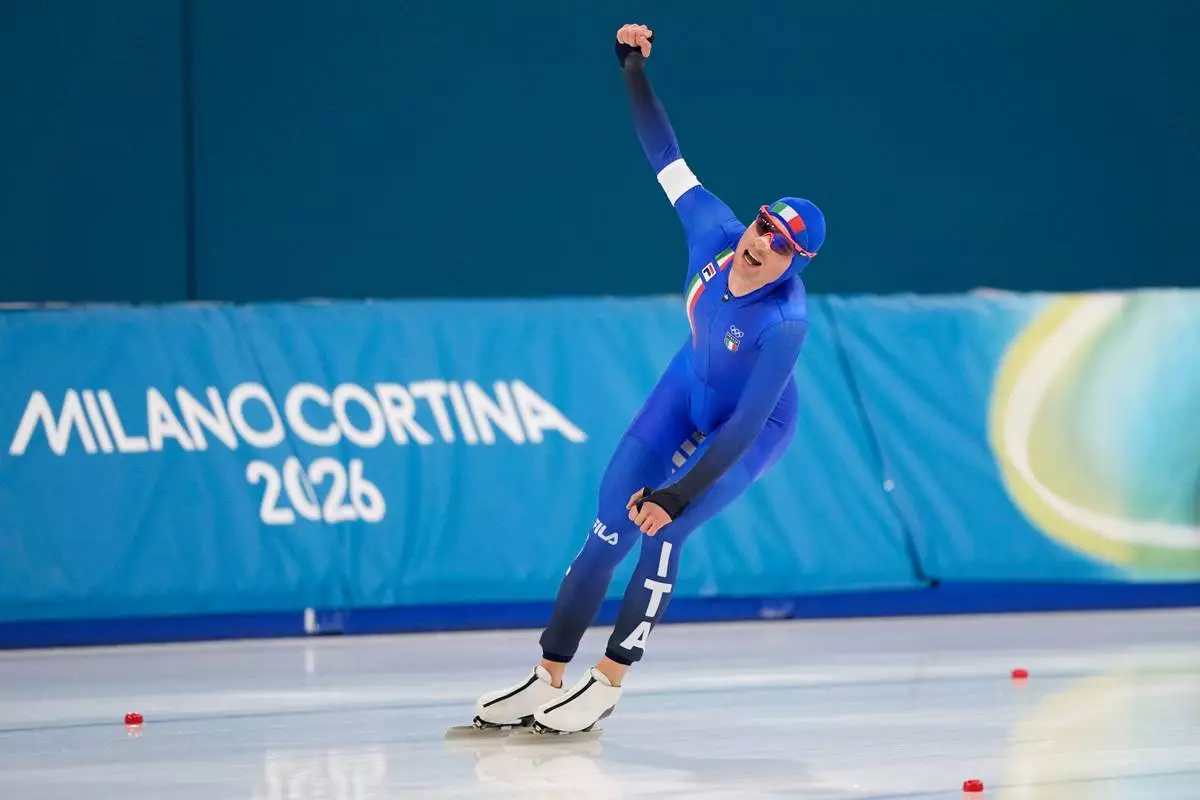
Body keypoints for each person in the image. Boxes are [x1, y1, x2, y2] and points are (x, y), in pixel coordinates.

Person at [471, 22, 825, 735]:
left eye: (780, 246)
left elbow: (749, 425)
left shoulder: (785, 322)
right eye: (763, 227)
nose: (760, 245)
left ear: (797, 262)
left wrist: (674, 493)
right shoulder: (713, 230)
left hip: (748, 430)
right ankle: (548, 674)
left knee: (665, 530)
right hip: (685, 387)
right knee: (607, 526)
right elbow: (665, 152)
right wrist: (633, 69)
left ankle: (609, 679)